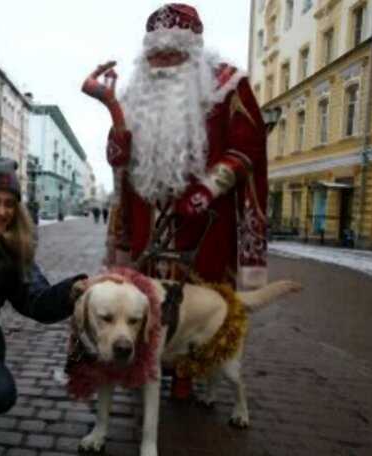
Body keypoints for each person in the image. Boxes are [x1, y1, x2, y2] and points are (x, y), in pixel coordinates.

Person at [82, 3, 268, 399]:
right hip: (147, 217)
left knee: (199, 302)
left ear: (193, 51)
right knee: (145, 301)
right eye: (155, 54)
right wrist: (112, 107)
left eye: (173, 53)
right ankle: (144, 364)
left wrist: (207, 189)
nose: (162, 63)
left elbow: (248, 147)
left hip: (204, 224)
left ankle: (189, 374)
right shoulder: (135, 93)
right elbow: (118, 157)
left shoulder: (228, 85)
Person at [0, 156, 88, 416]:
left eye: (9, 204)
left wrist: (72, 291)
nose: (2, 212)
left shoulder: (12, 250)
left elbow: (35, 299)